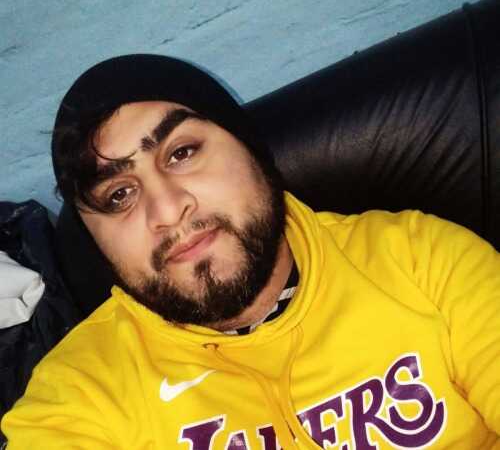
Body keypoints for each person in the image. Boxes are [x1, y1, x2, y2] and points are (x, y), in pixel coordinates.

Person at [2, 54, 499, 449]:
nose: (168, 210)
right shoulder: (83, 389)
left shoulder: (421, 260)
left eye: (181, 153)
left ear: (250, 152)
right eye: (119, 196)